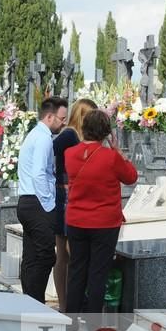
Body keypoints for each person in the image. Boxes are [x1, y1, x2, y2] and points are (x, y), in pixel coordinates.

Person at [65, 110, 138, 314]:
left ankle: (71, 321)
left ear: (83, 129)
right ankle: (93, 326)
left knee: (76, 271)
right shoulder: (111, 157)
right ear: (106, 132)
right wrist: (119, 152)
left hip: (76, 220)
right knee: (98, 274)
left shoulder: (69, 154)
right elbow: (131, 177)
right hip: (104, 223)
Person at [17, 97, 68, 304]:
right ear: (49, 116)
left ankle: (28, 301)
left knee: (31, 257)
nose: (64, 123)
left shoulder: (35, 134)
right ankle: (36, 303)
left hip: (27, 201)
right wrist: (49, 205)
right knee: (46, 256)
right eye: (61, 119)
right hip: (38, 203)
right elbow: (39, 173)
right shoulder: (44, 138)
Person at [52, 98, 98, 311]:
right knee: (66, 253)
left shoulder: (78, 136)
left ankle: (68, 303)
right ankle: (66, 303)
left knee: (67, 254)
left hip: (71, 195)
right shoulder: (69, 135)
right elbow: (54, 153)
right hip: (66, 197)